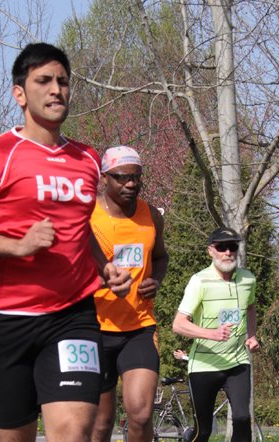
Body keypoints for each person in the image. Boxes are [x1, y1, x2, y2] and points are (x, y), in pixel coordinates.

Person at [0, 42, 131, 442]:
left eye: (63, 81)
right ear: (19, 94)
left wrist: (103, 265)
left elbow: (77, 227)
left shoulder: (87, 159)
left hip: (72, 316)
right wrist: (16, 246)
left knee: (75, 430)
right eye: (44, 81)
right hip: (5, 321)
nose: (56, 89)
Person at [89, 146, 169, 442]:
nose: (131, 183)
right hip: (94, 328)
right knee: (101, 423)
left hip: (139, 327)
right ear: (104, 178)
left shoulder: (152, 215)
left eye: (136, 177)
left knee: (141, 414)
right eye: (122, 177)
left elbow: (160, 257)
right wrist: (99, 281)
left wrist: (156, 279)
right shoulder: (88, 215)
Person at [172, 226, 260, 442]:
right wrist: (211, 334)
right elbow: (179, 324)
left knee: (242, 419)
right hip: (204, 365)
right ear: (210, 250)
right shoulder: (199, 281)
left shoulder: (248, 279)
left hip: (237, 362)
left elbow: (250, 308)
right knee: (203, 431)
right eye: (221, 247)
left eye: (232, 247)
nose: (228, 252)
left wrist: (251, 335)